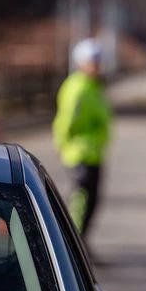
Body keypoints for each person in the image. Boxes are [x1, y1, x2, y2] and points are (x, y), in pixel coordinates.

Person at [52, 38, 112, 242]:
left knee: (92, 201)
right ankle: (73, 243)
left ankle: (81, 241)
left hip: (93, 152)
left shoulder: (93, 86)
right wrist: (62, 143)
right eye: (93, 61)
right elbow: (65, 120)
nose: (97, 66)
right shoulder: (78, 88)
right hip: (79, 154)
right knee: (81, 201)